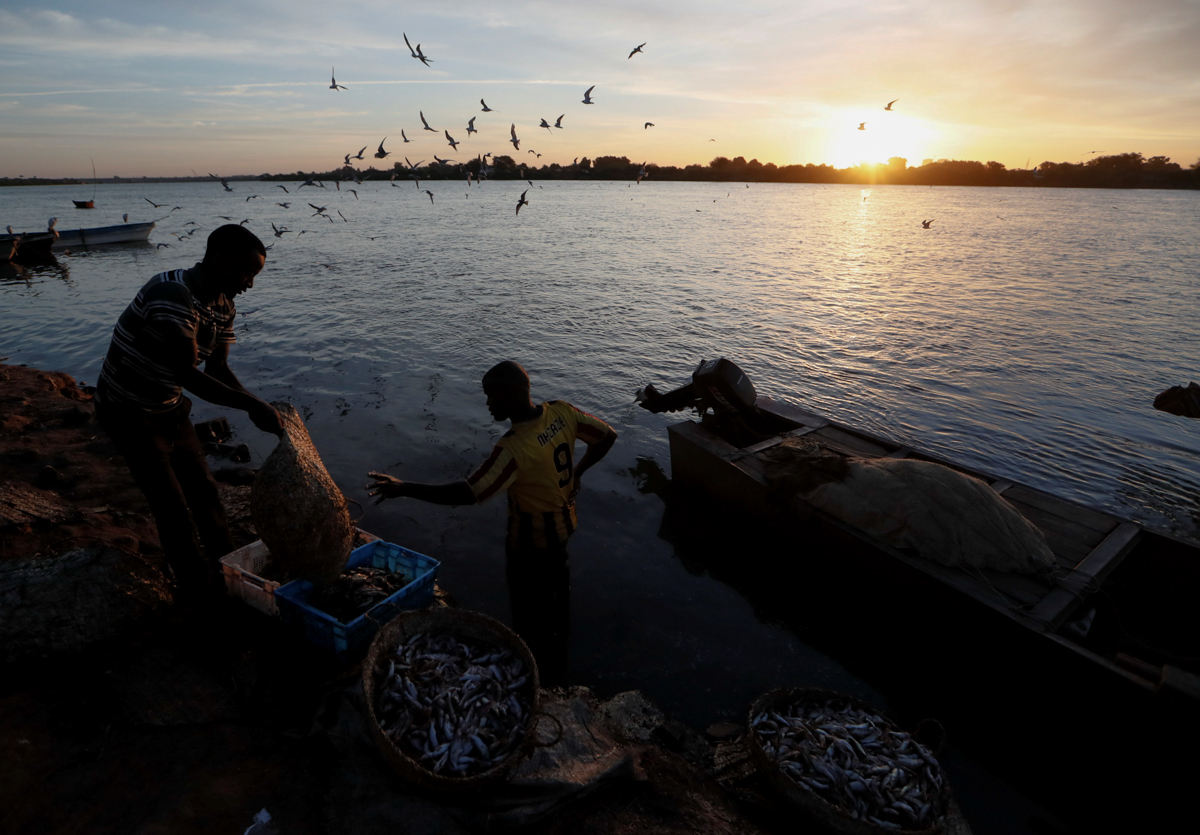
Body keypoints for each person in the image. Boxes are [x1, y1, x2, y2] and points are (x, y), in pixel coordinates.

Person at [368, 361, 617, 686]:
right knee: (557, 612)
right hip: (563, 535)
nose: (487, 404)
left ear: (510, 395)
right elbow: (606, 436)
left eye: (491, 397)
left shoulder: (513, 448)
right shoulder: (561, 412)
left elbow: (469, 492)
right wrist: (578, 471)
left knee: (529, 621)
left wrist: (404, 488)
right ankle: (558, 674)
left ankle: (536, 680)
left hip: (530, 549)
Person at [94, 224, 283, 604]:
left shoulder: (223, 304)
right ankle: (201, 593)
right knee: (172, 506)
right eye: (246, 273)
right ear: (220, 259)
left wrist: (258, 405)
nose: (249, 284)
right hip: (128, 410)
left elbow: (218, 370)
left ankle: (231, 572)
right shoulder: (170, 294)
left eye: (254, 275)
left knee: (206, 493)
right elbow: (187, 374)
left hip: (170, 407)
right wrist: (251, 405)